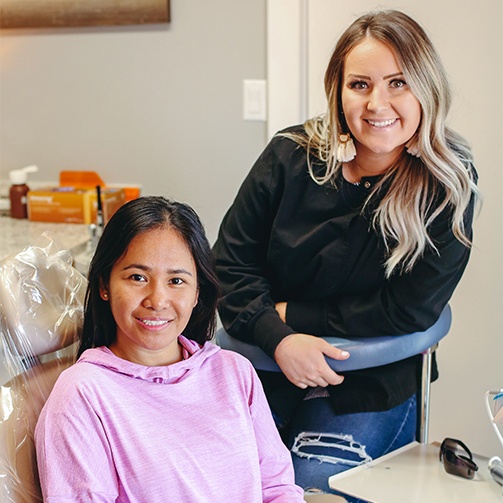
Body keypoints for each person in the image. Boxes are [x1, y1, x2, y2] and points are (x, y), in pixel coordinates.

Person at [213, 9, 479, 494]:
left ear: (427, 87)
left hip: (371, 381)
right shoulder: (289, 157)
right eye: (360, 84)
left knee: (307, 485)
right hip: (266, 364)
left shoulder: (449, 182)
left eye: (399, 82)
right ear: (337, 90)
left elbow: (410, 306)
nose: (378, 103)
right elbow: (229, 265)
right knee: (227, 479)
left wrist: (296, 314)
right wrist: (279, 338)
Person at [35, 196, 304, 502]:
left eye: (176, 280)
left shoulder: (234, 372)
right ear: (104, 286)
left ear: (196, 293)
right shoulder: (83, 394)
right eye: (137, 277)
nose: (157, 300)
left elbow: (277, 489)